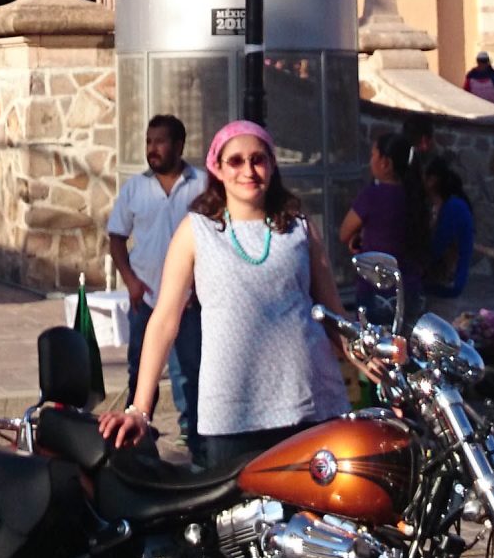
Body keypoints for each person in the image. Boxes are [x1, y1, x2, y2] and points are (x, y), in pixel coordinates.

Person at [101, 121, 347, 470]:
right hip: (234, 416)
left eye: (258, 159)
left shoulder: (299, 225)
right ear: (216, 168)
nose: (248, 170)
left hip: (309, 408)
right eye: (236, 161)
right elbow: (165, 320)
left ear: (272, 165)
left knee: (316, 523)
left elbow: (334, 318)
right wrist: (140, 409)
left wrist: (384, 370)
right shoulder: (196, 230)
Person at [106, 114, 205, 460]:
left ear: (179, 146)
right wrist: (131, 282)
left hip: (190, 302)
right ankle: (137, 433)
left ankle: (192, 436)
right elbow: (116, 238)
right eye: (149, 142)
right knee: (140, 367)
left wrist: (199, 287)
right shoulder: (135, 188)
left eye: (160, 141)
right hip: (146, 299)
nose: (153, 149)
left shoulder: (202, 186)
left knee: (189, 370)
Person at [338, 129, 430, 315]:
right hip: (411, 290)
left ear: (385, 163)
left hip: (376, 291)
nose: (370, 161)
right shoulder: (416, 197)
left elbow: (344, 233)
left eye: (373, 155)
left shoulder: (372, 196)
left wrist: (357, 238)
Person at [422, 156, 475, 301]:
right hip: (436, 285)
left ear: (431, 180)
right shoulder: (438, 206)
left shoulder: (453, 208)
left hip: (445, 286)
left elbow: (437, 247)